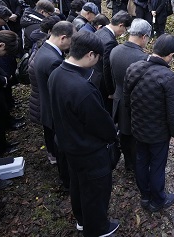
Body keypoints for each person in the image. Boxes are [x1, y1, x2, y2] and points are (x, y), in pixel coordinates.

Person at [48, 31, 120, 237]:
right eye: (97, 57)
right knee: (96, 191)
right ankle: (97, 228)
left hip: (68, 144)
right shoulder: (82, 88)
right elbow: (101, 124)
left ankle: (82, 219)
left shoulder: (57, 73)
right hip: (89, 150)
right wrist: (113, 137)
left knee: (78, 185)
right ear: (90, 55)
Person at [123, 34, 174, 212]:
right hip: (158, 133)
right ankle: (158, 200)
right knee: (157, 165)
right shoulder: (168, 77)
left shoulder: (133, 68)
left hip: (138, 128)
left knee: (141, 160)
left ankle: (145, 195)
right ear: (170, 55)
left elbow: (127, 101)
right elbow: (173, 112)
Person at [109, 18, 151, 172]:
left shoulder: (115, 50)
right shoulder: (143, 59)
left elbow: (110, 76)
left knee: (123, 133)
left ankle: (128, 162)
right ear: (144, 37)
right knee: (135, 138)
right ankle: (135, 165)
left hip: (118, 98)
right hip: (135, 104)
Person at [34, 21, 75, 174]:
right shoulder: (53, 61)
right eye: (72, 39)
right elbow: (61, 89)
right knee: (61, 148)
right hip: (54, 110)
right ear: (63, 38)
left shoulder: (45, 49)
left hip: (46, 105)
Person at [94, 10, 133, 113]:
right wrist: (111, 91)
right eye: (125, 29)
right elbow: (107, 68)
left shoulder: (100, 31)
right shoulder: (110, 42)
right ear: (121, 25)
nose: (124, 33)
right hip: (102, 83)